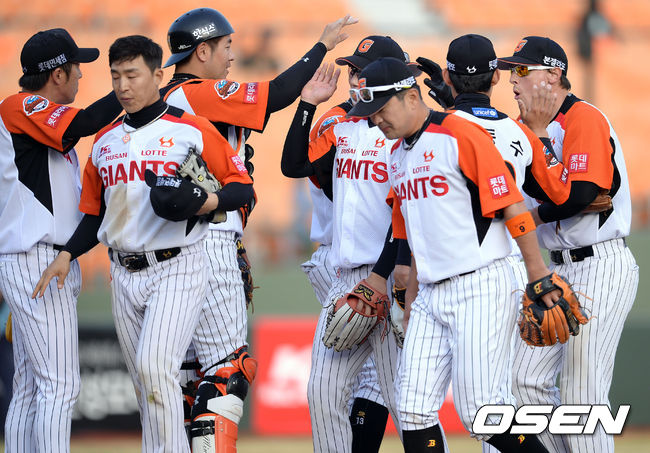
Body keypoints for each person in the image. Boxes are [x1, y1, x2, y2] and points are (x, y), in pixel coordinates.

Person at [32, 35, 253, 453]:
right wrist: (67, 254)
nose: (123, 86)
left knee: (155, 368)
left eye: (132, 75)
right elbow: (94, 214)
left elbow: (242, 187)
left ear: (158, 75)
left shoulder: (191, 129)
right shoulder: (104, 141)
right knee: (145, 385)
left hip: (178, 265)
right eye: (115, 76)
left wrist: (208, 201)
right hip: (123, 271)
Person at [159, 8, 357, 449]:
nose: (232, 56)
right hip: (209, 238)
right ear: (202, 51)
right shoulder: (194, 92)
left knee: (189, 378)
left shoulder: (171, 99)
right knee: (226, 369)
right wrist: (322, 45)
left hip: (178, 242)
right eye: (226, 46)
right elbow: (276, 93)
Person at [348, 56, 559, 452]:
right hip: (430, 294)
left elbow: (512, 205)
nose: (375, 120)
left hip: (479, 284)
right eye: (370, 113)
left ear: (412, 97)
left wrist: (537, 273)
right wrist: (411, 302)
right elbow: (411, 236)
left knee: (481, 411)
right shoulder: (398, 156)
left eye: (381, 109)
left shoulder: (459, 134)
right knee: (412, 410)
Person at [498, 36, 639, 453]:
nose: (513, 79)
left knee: (582, 394)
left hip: (599, 262)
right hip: (555, 267)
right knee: (522, 380)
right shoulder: (523, 128)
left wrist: (535, 215)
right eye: (511, 71)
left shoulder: (584, 117)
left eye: (523, 70)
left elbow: (579, 197)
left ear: (554, 74)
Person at [281, 36, 417, 453]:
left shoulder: (404, 136)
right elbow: (294, 165)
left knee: (405, 401)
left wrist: (384, 277)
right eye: (354, 71)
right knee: (321, 393)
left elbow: (406, 217)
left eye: (363, 71)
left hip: (388, 276)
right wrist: (307, 104)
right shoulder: (342, 126)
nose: (355, 78)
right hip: (343, 278)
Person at [0, 27, 122, 452]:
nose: (80, 75)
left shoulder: (41, 125)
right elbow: (85, 123)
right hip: (36, 259)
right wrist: (135, 90)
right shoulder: (19, 105)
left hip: (38, 259)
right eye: (76, 68)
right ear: (57, 74)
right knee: (60, 385)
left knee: (31, 386)